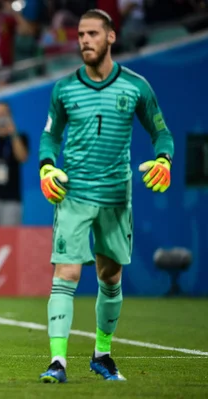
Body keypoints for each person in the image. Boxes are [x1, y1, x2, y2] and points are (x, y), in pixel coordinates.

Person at [38, 10, 174, 383]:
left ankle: (102, 354)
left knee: (110, 278)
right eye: (80, 34)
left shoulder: (135, 87)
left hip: (116, 196)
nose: (84, 40)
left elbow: (162, 133)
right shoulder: (64, 88)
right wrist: (47, 166)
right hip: (74, 194)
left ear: (111, 37)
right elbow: (50, 136)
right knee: (65, 273)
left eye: (92, 33)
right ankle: (57, 362)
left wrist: (164, 159)